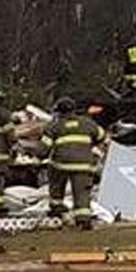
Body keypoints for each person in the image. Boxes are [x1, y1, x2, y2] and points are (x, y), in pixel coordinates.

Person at [43, 97, 106, 229]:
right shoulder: (87, 123)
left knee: (55, 178)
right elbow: (102, 136)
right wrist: (89, 146)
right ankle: (83, 219)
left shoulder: (55, 125)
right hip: (84, 164)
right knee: (82, 191)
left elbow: (45, 146)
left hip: (61, 164)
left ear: (59, 112)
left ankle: (56, 206)